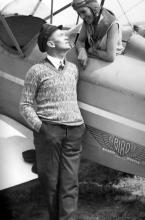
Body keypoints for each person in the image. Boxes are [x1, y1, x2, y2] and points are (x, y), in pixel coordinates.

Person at [20, 23, 85, 220]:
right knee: (50, 183)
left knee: (70, 183)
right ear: (50, 43)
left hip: (74, 131)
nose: (67, 36)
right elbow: (25, 105)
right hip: (49, 132)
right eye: (61, 35)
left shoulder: (73, 69)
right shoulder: (36, 71)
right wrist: (42, 128)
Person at [71, 0, 123, 69]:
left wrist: (91, 51)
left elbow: (110, 56)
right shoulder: (88, 21)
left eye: (83, 11)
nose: (82, 17)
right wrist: (81, 51)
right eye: (79, 13)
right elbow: (79, 41)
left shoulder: (112, 24)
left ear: (94, 8)